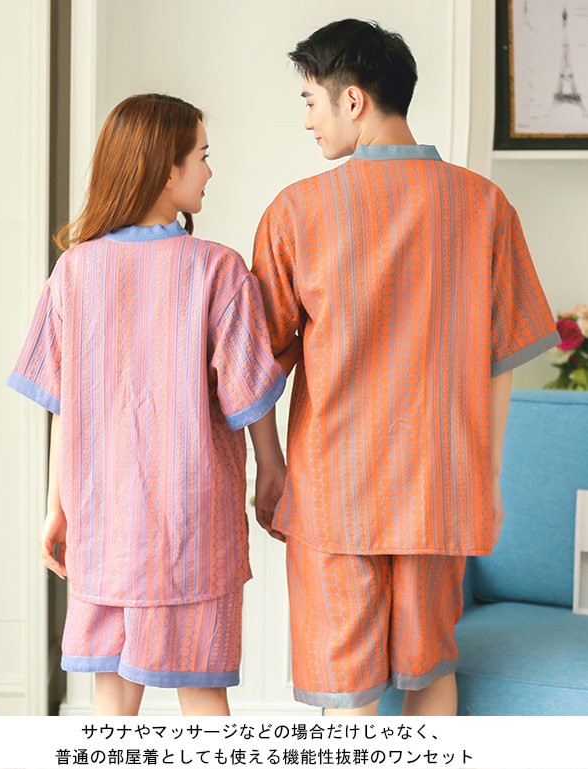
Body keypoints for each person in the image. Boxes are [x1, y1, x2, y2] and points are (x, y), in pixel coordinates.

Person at [251, 19, 560, 716]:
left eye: (310, 101)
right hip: (439, 487)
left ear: (352, 99)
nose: (307, 121)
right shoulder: (484, 204)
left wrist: (270, 468)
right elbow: (499, 361)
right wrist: (486, 476)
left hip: (332, 492)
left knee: (347, 696)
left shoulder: (296, 212)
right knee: (431, 669)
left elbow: (256, 364)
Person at [7, 93, 292, 716]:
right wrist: (272, 470)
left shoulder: (74, 271)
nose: (210, 171)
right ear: (168, 168)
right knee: (204, 697)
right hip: (196, 529)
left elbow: (64, 406)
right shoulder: (216, 269)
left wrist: (56, 508)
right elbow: (248, 394)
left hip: (102, 522)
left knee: (111, 705)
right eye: (203, 156)